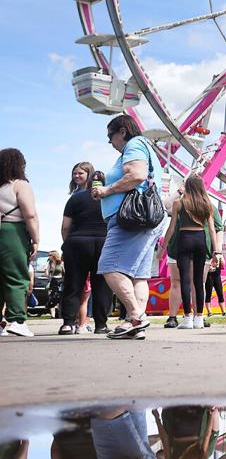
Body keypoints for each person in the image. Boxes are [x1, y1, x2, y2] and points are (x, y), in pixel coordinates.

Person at [93, 116, 162, 341]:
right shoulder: (147, 147)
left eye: (110, 136)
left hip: (130, 219)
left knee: (109, 266)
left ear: (122, 132)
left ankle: (135, 317)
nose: (109, 142)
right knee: (139, 276)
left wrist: (107, 190)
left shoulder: (134, 145)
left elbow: (137, 175)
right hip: (148, 219)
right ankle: (135, 324)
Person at [163, 175, 223, 330]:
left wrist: (164, 245)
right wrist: (216, 251)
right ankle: (199, 318)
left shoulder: (179, 203)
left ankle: (188, 318)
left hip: (184, 239)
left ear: (187, 186)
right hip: (200, 240)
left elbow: (171, 228)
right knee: (198, 281)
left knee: (184, 280)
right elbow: (212, 230)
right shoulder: (207, 204)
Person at [60, 161, 112, 336]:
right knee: (102, 286)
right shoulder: (109, 198)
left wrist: (67, 245)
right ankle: (101, 325)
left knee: (73, 284)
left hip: (78, 243)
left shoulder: (75, 198)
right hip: (103, 242)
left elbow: (65, 226)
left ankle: (67, 324)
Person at [0, 149, 39, 339]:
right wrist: (36, 239)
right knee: (16, 277)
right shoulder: (20, 185)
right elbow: (29, 214)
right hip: (13, 232)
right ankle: (17, 321)